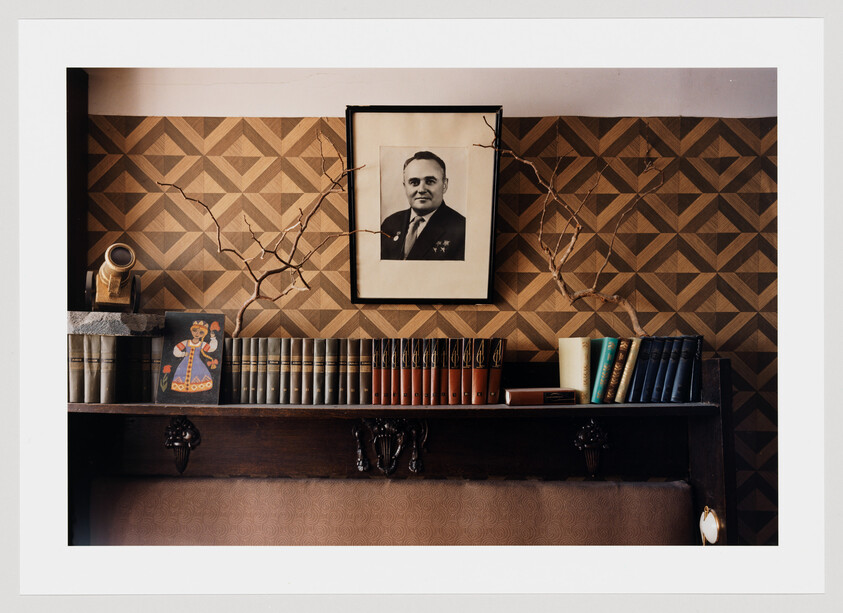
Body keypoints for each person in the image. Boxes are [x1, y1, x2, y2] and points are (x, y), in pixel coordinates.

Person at [380, 150, 465, 260]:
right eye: (414, 182)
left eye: (430, 181)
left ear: (444, 185)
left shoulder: (462, 229)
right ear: (405, 186)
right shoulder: (390, 223)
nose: (421, 190)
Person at [171, 320, 218, 393]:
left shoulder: (202, 344)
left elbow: (212, 348)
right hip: (184, 365)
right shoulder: (186, 342)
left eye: (201, 332)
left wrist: (213, 338)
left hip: (197, 365)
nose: (197, 334)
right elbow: (176, 349)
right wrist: (182, 354)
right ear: (191, 331)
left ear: (203, 335)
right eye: (195, 330)